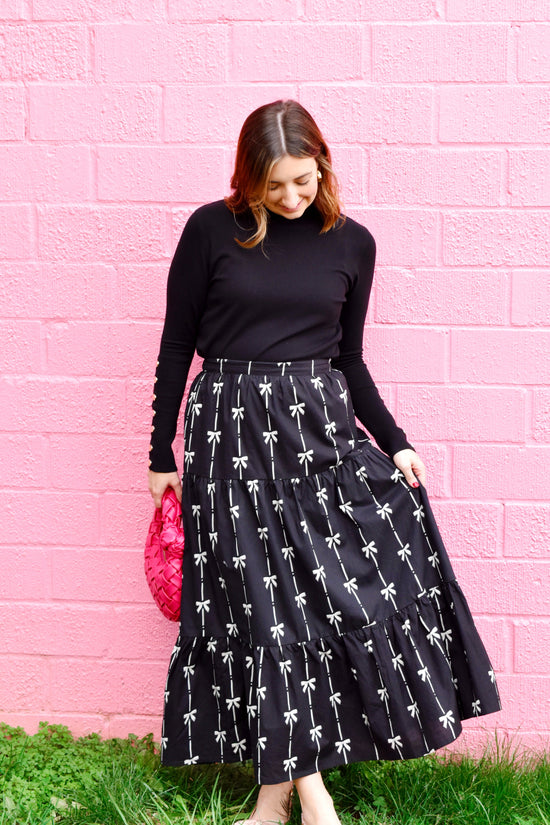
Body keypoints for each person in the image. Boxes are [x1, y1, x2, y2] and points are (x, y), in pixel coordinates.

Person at [147, 99, 501, 825]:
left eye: (302, 181)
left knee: (312, 602)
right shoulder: (211, 230)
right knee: (264, 606)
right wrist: (160, 448)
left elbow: (349, 359)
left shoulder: (352, 243)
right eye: (273, 185)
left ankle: (276, 797)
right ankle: (314, 801)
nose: (290, 198)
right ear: (247, 177)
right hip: (230, 436)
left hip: (316, 434)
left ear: (323, 167)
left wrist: (395, 439)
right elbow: (176, 346)